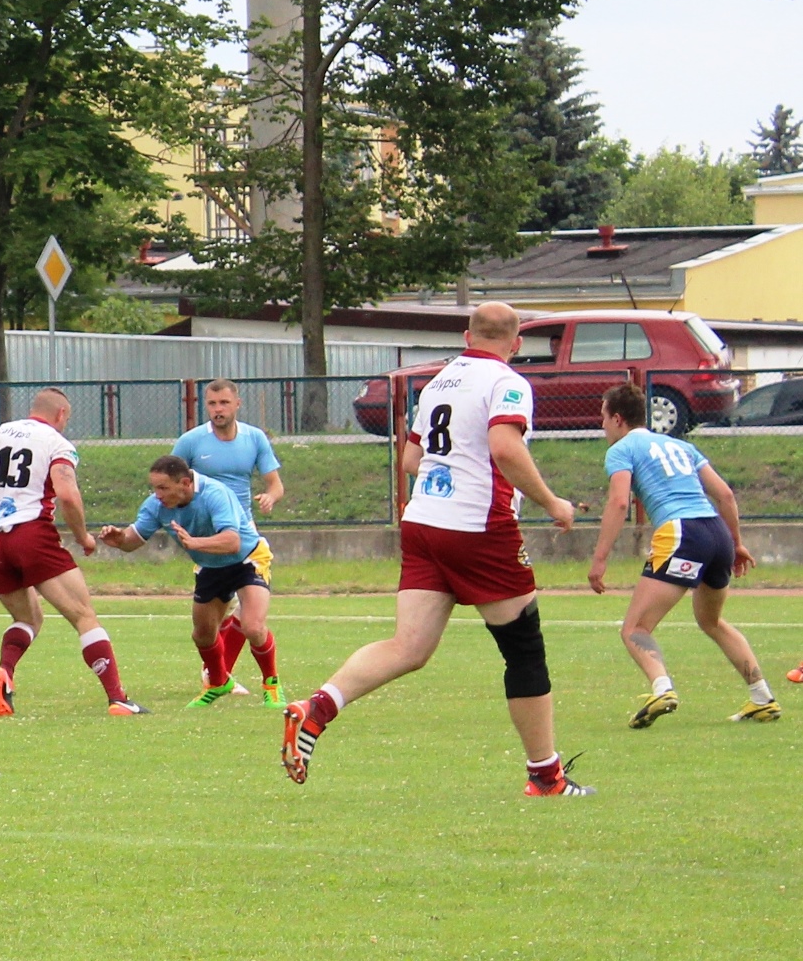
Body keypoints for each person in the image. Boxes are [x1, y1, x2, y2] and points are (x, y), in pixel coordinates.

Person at [280, 302, 592, 797]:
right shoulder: (507, 382)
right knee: (524, 650)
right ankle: (546, 776)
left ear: (467, 336)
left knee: (408, 647)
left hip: (424, 521)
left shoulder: (439, 382)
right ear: (516, 344)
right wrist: (553, 502)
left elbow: (411, 459)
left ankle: (317, 708)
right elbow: (505, 448)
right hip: (477, 526)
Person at [0, 387, 147, 717]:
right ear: (61, 414)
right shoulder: (56, 443)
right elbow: (68, 495)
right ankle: (117, 698)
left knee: (28, 618)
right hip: (31, 535)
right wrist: (83, 537)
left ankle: (5, 671)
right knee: (83, 615)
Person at [588, 383, 777, 726]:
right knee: (711, 621)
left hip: (681, 533)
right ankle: (762, 697)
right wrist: (736, 543)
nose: (602, 425)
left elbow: (618, 502)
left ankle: (662, 688)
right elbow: (725, 495)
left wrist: (600, 558)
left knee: (635, 628)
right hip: (716, 532)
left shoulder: (621, 449)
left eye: (603, 417)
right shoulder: (681, 445)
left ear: (617, 419)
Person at [99, 457, 280, 708]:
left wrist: (195, 543)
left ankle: (271, 685)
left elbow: (232, 542)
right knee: (202, 635)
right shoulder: (156, 505)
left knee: (253, 627)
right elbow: (134, 540)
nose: (157, 494)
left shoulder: (215, 494)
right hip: (211, 566)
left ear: (185, 483)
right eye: (154, 488)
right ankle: (219, 683)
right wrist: (120, 540)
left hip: (247, 560)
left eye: (163, 488)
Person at [172, 379, 286, 701]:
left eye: (223, 403)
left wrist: (270, 497)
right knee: (210, 624)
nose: (218, 409)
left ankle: (223, 677)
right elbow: (169, 482)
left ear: (237, 404)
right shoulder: (191, 442)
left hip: (244, 536)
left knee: (249, 617)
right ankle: (218, 675)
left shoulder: (254, 438)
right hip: (210, 541)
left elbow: (275, 484)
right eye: (212, 404)